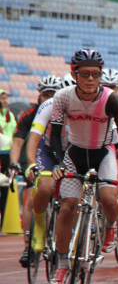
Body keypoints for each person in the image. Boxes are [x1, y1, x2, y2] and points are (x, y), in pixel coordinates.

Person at [48, 50, 118, 284]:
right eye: (85, 74)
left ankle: (110, 227)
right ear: (74, 74)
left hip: (103, 152)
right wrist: (57, 163)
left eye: (96, 74)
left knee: (107, 198)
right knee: (67, 208)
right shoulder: (62, 97)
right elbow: (55, 134)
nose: (91, 79)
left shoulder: (113, 99)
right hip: (74, 154)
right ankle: (63, 264)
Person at [22, 75, 74, 266]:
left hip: (73, 151)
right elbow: (33, 138)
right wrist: (30, 163)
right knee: (44, 186)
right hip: (48, 150)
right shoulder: (49, 105)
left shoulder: (86, 106)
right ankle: (40, 227)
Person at [12, 75, 61, 267]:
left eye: (53, 94)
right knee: (33, 197)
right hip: (40, 155)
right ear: (39, 95)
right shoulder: (30, 114)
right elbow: (18, 141)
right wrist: (15, 162)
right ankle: (28, 245)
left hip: (62, 154)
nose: (48, 98)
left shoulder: (66, 110)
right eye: (45, 94)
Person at [0, 89, 17, 222]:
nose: (4, 101)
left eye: (6, 98)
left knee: (6, 186)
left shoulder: (10, 115)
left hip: (8, 154)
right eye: (2, 98)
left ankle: (5, 220)